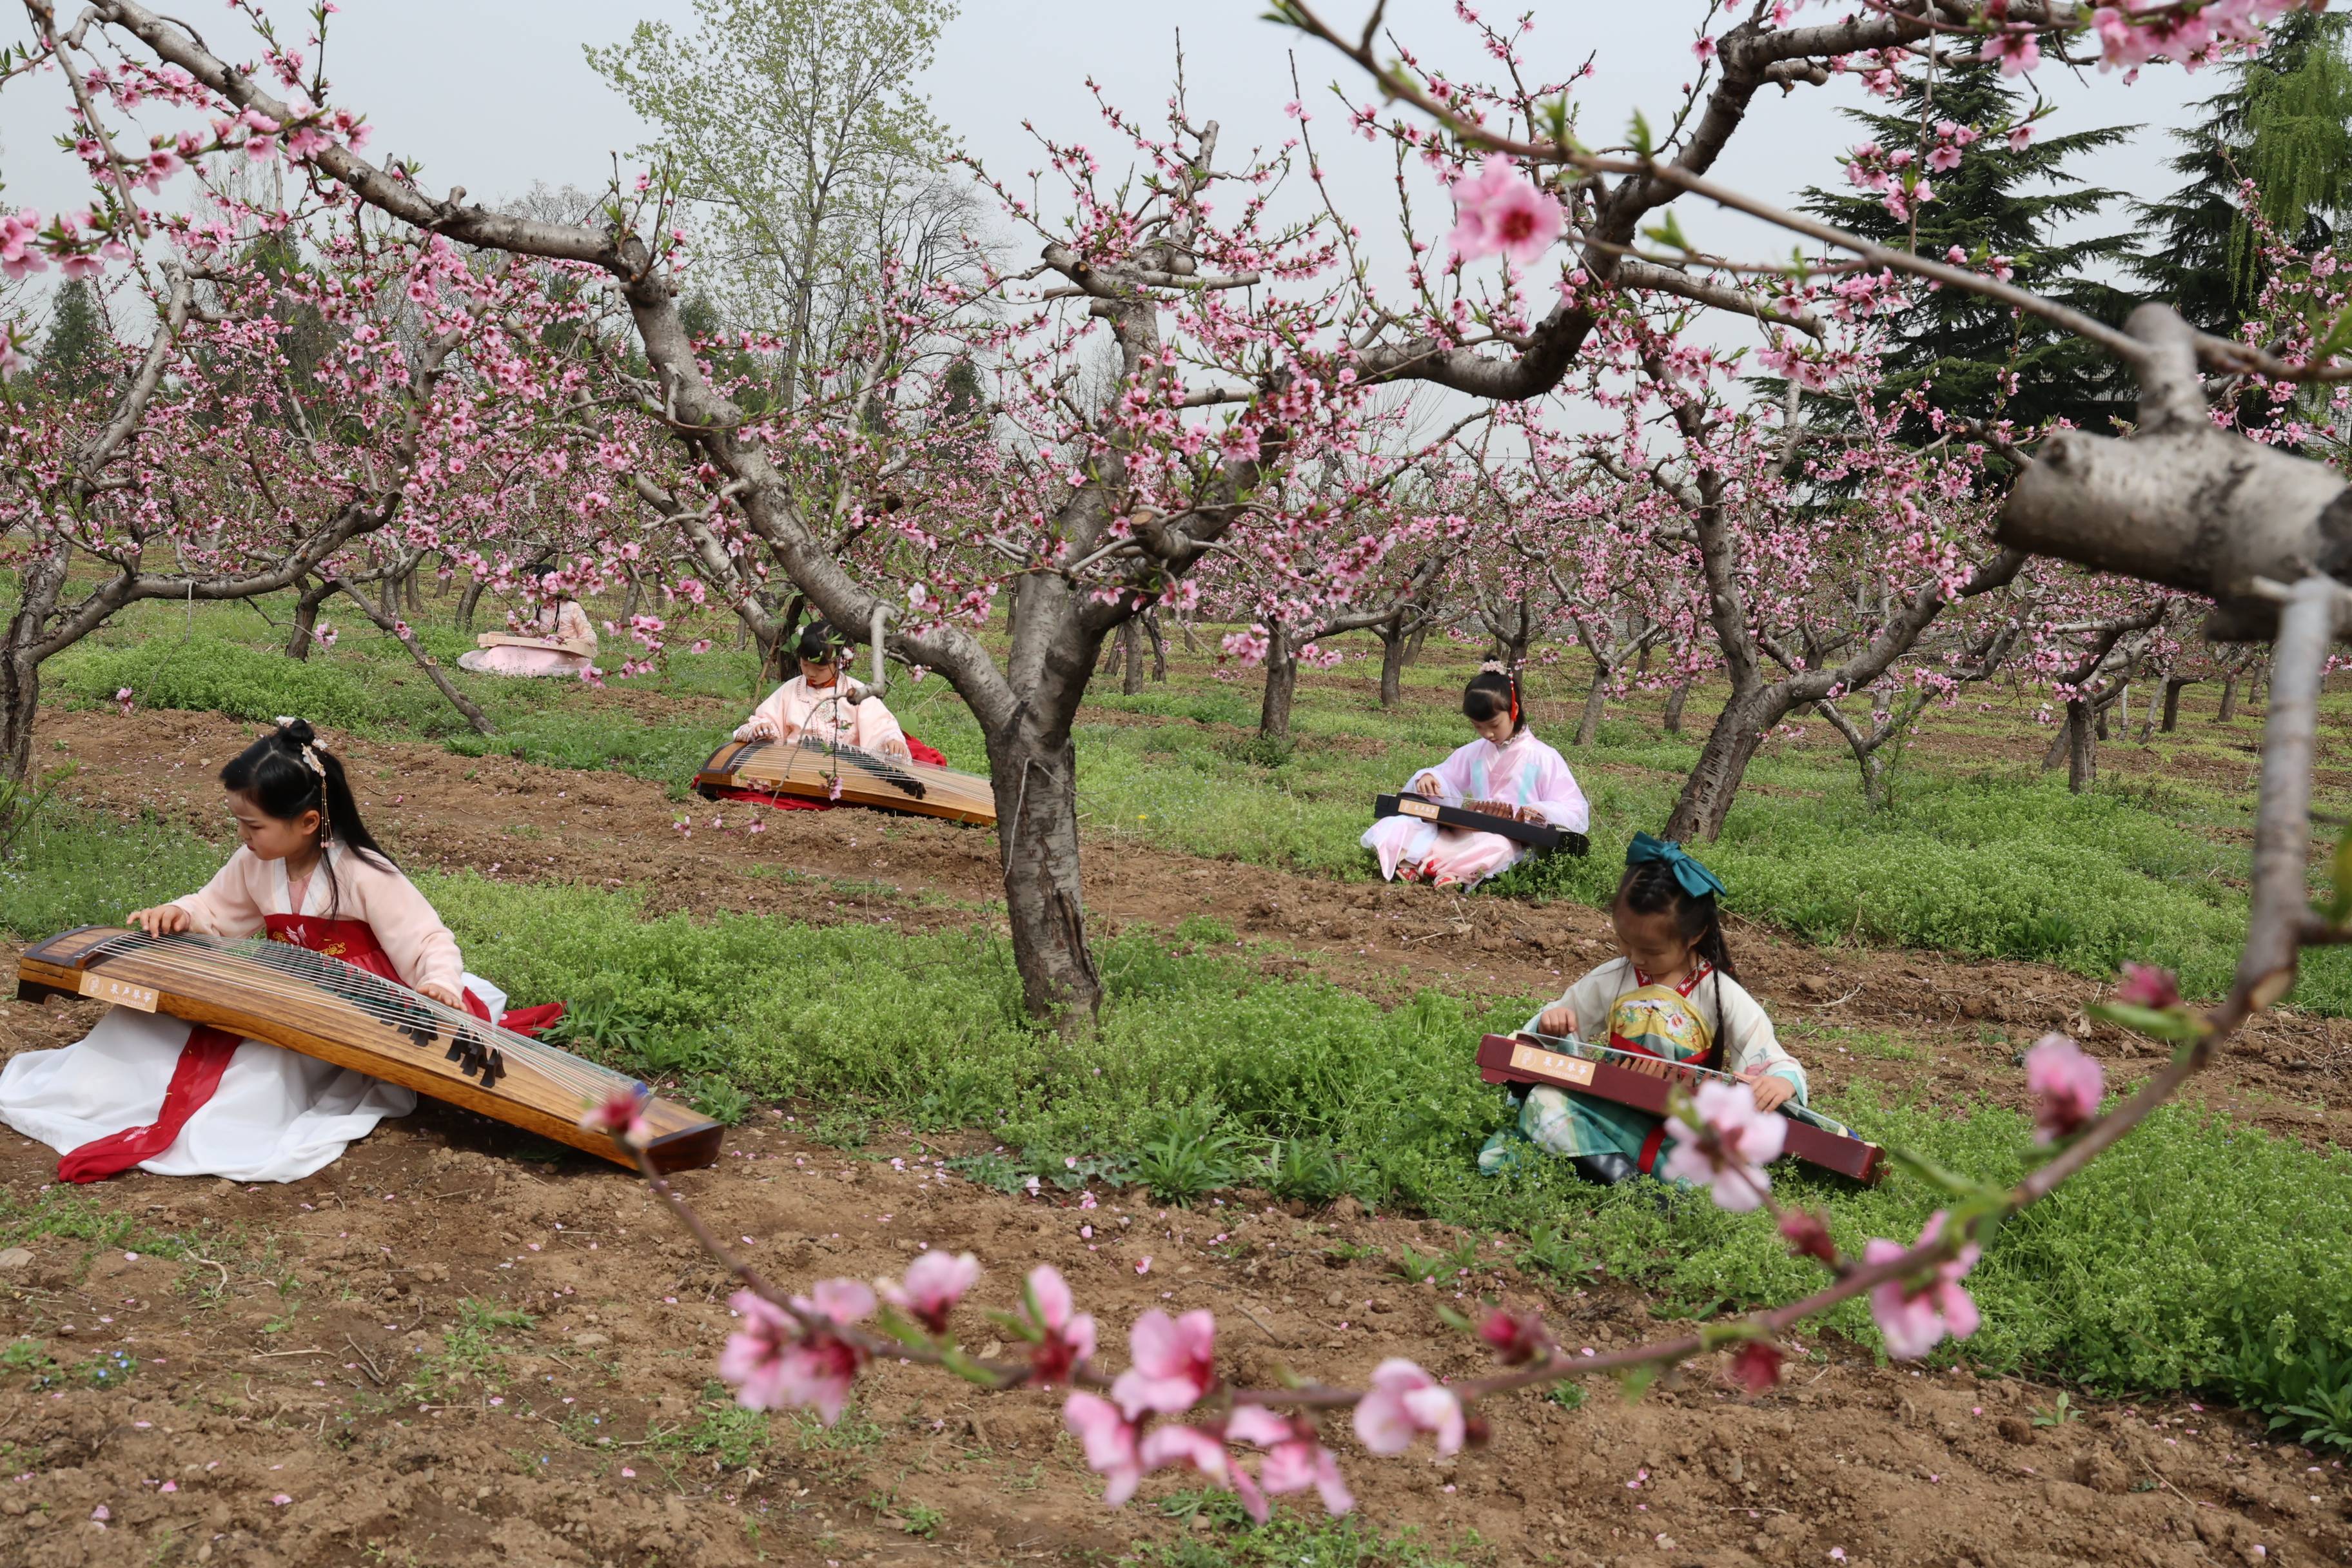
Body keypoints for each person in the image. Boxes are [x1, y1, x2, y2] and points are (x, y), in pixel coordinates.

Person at [0, 720, 520, 1184]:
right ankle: (100, 1098)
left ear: (309, 823)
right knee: (140, 1025)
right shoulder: (256, 862)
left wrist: (438, 986)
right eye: (239, 823)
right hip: (283, 990)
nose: (242, 836)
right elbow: (214, 908)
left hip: (355, 1008)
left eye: (253, 826)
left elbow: (428, 940)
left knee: (259, 1077)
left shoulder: (364, 872)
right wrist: (181, 914)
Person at [1478, 834, 1814, 1188]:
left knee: (1741, 1172)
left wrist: (1780, 1082)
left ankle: (1617, 1172)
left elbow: (1771, 1057)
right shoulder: (1612, 978)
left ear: (1695, 934)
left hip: (1685, 1129)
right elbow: (1558, 1022)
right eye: (1625, 941)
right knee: (1545, 1103)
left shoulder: (1721, 993)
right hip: (1613, 1112)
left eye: (1652, 951)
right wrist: (1555, 1023)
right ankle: (1634, 1189)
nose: (1635, 958)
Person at [1361, 665, 1590, 888]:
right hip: (1468, 830)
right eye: (1478, 727)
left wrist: (1543, 811)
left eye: (1493, 725)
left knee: (1497, 847)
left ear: (1514, 711)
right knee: (1397, 825)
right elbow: (1447, 776)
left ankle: (1435, 868)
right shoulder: (1474, 752)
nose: (1487, 734)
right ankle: (1430, 867)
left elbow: (1573, 807)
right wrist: (1430, 778)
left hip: (1509, 838)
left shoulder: (1544, 757)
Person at [735, 620, 913, 760]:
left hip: (846, 769)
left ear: (840, 662)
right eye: (805, 664)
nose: (810, 673)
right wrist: (763, 728)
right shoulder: (790, 690)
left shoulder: (857, 692)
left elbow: (880, 728)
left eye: (820, 669)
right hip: (795, 766)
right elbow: (767, 721)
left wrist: (891, 741)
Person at [457, 570, 597, 679]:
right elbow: (532, 638)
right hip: (541, 648)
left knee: (547, 660)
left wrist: (569, 642)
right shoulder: (539, 607)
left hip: (564, 653)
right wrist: (517, 629)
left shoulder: (572, 608)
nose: (543, 595)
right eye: (539, 590)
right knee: (499, 651)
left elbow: (590, 637)